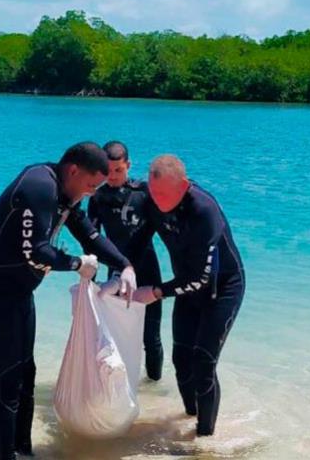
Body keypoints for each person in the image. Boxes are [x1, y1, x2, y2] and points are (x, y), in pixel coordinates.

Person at [0, 142, 138, 459]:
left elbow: (90, 235)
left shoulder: (65, 194)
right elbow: (37, 251)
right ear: (74, 170)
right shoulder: (38, 187)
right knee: (8, 383)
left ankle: (24, 452)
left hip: (19, 295)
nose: (91, 193)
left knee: (26, 376)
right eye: (90, 185)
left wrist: (125, 265)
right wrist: (77, 264)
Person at [120, 154, 245, 437]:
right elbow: (137, 242)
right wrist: (123, 268)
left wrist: (156, 292)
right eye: (154, 193)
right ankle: (191, 416)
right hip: (187, 289)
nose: (158, 200)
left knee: (203, 362)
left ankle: (204, 438)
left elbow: (201, 277)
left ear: (184, 185)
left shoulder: (204, 211)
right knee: (181, 360)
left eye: (164, 194)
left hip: (221, 289)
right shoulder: (152, 202)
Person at [87, 141, 164, 381]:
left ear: (128, 165)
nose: (112, 176)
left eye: (118, 170)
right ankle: (119, 388)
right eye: (108, 171)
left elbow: (161, 230)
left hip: (147, 270)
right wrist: (91, 279)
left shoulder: (143, 193)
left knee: (151, 338)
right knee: (114, 336)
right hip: (116, 274)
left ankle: (153, 387)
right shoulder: (97, 197)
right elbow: (92, 240)